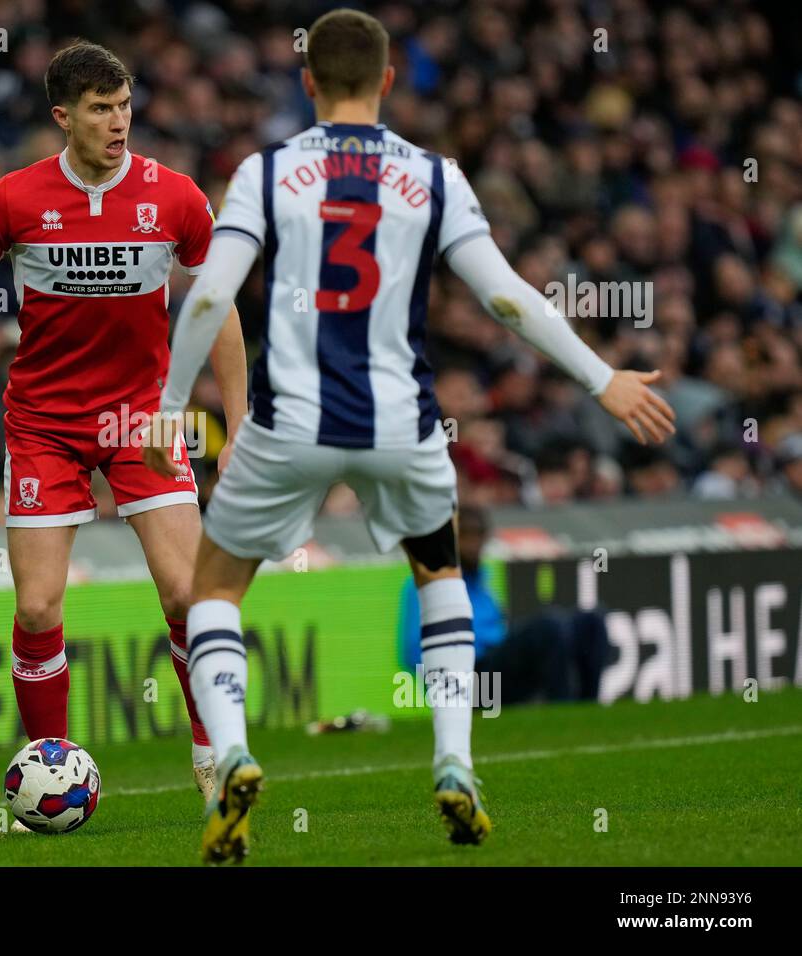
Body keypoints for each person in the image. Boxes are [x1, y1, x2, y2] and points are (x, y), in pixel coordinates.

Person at [143, 8, 675, 862]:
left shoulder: (267, 172)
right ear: (389, 81)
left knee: (214, 591)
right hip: (404, 423)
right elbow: (506, 297)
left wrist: (172, 402)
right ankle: (457, 764)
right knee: (439, 574)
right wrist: (600, 378)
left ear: (307, 80)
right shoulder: (434, 177)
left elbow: (208, 297)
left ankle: (235, 750)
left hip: (291, 424)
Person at [0, 42, 249, 804]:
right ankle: (50, 767)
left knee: (185, 598)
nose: (119, 121)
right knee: (36, 606)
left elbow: (217, 305)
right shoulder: (13, 199)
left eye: (126, 105)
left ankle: (213, 756)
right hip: (44, 423)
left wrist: (240, 425)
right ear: (63, 116)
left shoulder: (177, 199)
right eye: (101, 109)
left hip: (145, 420)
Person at [398, 504, 609, 704]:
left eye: (478, 534)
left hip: (496, 671)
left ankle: (588, 708)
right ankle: (562, 709)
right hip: (467, 681)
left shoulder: (482, 584)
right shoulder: (427, 584)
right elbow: (411, 651)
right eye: (465, 535)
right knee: (549, 626)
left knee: (591, 621)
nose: (473, 544)